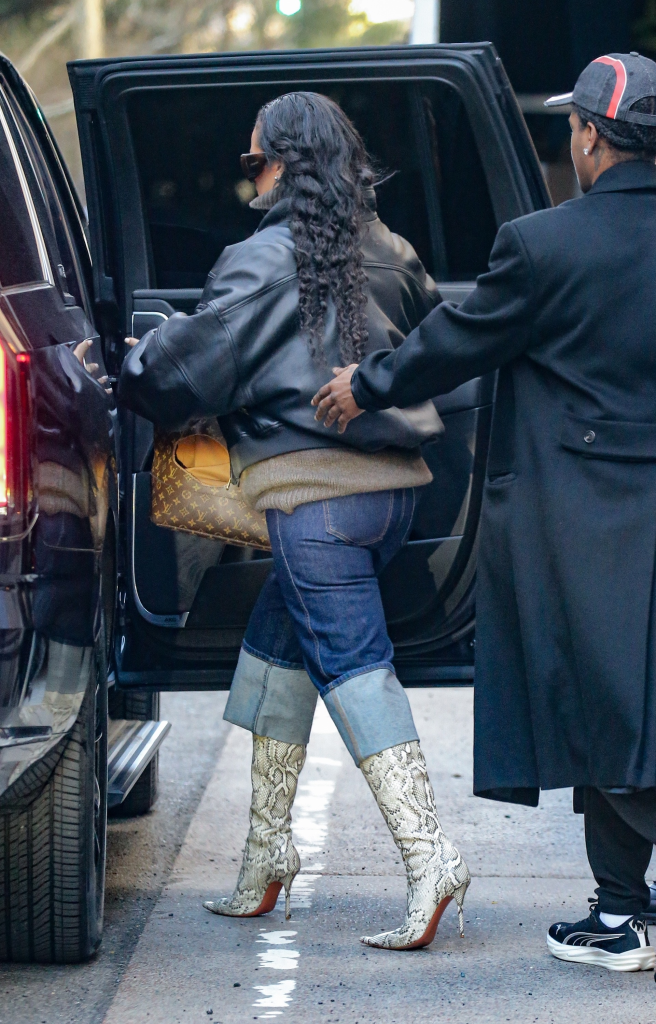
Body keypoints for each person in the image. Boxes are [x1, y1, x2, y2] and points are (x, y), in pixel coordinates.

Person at [312, 53, 656, 973]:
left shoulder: (544, 244)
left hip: (582, 515)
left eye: (571, 128)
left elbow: (458, 341)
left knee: (605, 706)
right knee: (633, 703)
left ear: (591, 137)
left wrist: (365, 383)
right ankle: (623, 911)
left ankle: (624, 913)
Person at [119, 92, 470, 950]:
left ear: (283, 165)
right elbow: (434, 350)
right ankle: (266, 854)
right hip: (391, 501)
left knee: (354, 669)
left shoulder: (256, 261)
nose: (250, 179)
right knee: (276, 651)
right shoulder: (390, 249)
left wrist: (138, 353)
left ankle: (431, 860)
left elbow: (181, 373)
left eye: (254, 162)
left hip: (314, 505)